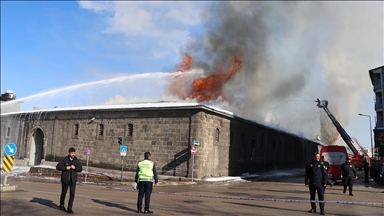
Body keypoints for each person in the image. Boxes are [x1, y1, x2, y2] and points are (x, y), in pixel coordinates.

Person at [56, 147, 83, 214]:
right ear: (69, 153)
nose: (73, 154)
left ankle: (69, 208)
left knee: (72, 194)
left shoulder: (76, 161)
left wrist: (75, 168)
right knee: (63, 193)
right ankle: (61, 204)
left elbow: (80, 168)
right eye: (72, 153)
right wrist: (65, 168)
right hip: (65, 180)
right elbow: (58, 167)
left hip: (73, 180)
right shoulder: (65, 160)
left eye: (74, 153)